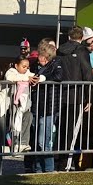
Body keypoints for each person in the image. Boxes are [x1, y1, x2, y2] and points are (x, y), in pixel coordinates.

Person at [55, 26, 93, 171]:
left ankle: (58, 160)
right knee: (73, 131)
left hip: (61, 94)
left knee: (61, 129)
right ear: (81, 37)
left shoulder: (60, 50)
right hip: (77, 96)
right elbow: (87, 73)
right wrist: (89, 97)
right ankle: (67, 162)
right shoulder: (82, 51)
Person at [27, 41, 64, 173]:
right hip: (38, 104)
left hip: (49, 106)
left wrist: (43, 78)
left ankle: (48, 168)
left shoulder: (56, 64)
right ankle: (37, 168)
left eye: (41, 55)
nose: (38, 57)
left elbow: (59, 76)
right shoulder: (37, 66)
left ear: (46, 56)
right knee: (38, 138)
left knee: (45, 140)